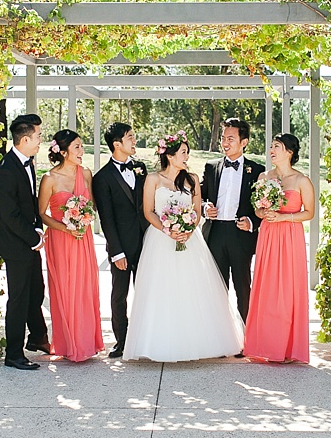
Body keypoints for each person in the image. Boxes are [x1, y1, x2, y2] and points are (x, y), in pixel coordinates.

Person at [124, 130, 243, 362]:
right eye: (183, 153)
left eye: (187, 153)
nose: (187, 157)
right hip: (160, 240)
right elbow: (148, 211)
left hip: (190, 240)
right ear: (170, 156)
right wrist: (168, 230)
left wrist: (188, 229)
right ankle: (159, 343)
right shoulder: (153, 179)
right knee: (162, 290)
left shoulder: (192, 180)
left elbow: (197, 212)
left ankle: (198, 342)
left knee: (192, 289)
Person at [244, 133, 315, 363]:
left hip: (290, 236)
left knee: (288, 289)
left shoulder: (302, 180)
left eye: (277, 146)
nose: (271, 150)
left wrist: (285, 218)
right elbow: (256, 209)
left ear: (290, 152)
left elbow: (310, 213)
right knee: (266, 288)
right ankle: (265, 344)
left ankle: (287, 347)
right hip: (268, 235)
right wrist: (263, 213)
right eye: (271, 146)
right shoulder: (265, 177)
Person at [38, 129, 104, 362]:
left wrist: (84, 217)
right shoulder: (49, 179)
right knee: (65, 290)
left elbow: (93, 205)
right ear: (63, 151)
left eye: (81, 146)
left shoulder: (85, 173)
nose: (81, 151)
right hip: (60, 239)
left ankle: (87, 343)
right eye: (77, 147)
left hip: (83, 239)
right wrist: (66, 226)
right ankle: (68, 344)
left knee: (85, 288)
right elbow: (41, 214)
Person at [0, 113, 49, 371]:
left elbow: (29, 204)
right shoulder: (6, 170)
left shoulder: (28, 163)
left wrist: (38, 227)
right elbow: (11, 214)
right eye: (38, 136)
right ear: (25, 139)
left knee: (36, 292)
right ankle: (13, 354)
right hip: (16, 245)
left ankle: (37, 337)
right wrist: (33, 237)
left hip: (29, 240)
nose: (41, 141)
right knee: (18, 299)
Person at [91, 122, 149, 359]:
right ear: (117, 144)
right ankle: (122, 342)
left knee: (147, 292)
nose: (134, 141)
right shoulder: (102, 178)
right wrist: (116, 252)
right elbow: (106, 218)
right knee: (119, 295)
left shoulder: (142, 169)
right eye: (130, 137)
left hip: (147, 243)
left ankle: (146, 337)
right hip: (121, 247)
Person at [201, 118, 265, 321]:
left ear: (244, 142)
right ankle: (219, 337)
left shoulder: (257, 171)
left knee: (243, 288)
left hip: (241, 236)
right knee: (216, 287)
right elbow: (200, 195)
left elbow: (265, 204)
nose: (225, 143)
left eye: (230, 138)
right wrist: (205, 208)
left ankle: (247, 335)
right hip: (216, 233)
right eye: (223, 138)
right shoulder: (211, 167)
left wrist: (252, 222)